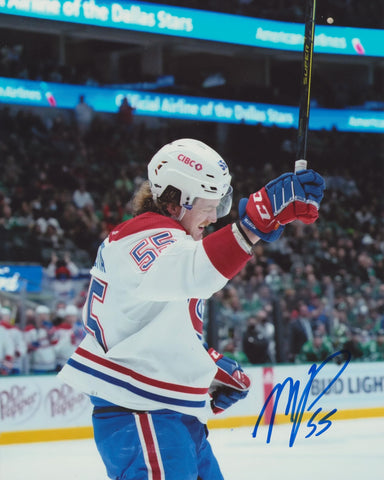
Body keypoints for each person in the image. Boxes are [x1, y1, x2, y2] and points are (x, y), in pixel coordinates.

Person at [58, 138, 324, 480]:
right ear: (175, 201)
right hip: (142, 412)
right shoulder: (144, 236)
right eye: (208, 205)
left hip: (166, 412)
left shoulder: (165, 239)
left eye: (221, 204)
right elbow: (196, 272)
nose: (214, 217)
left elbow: (151, 326)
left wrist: (205, 366)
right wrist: (255, 223)